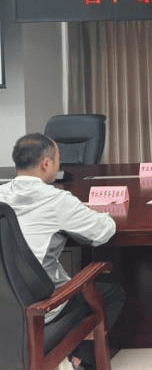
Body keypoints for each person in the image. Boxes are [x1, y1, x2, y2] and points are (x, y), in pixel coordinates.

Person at [0, 133, 125, 370]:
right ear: (46, 164)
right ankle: (81, 359)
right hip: (37, 309)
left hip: (4, 306)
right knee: (112, 292)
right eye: (58, 159)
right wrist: (102, 213)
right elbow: (102, 232)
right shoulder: (56, 200)